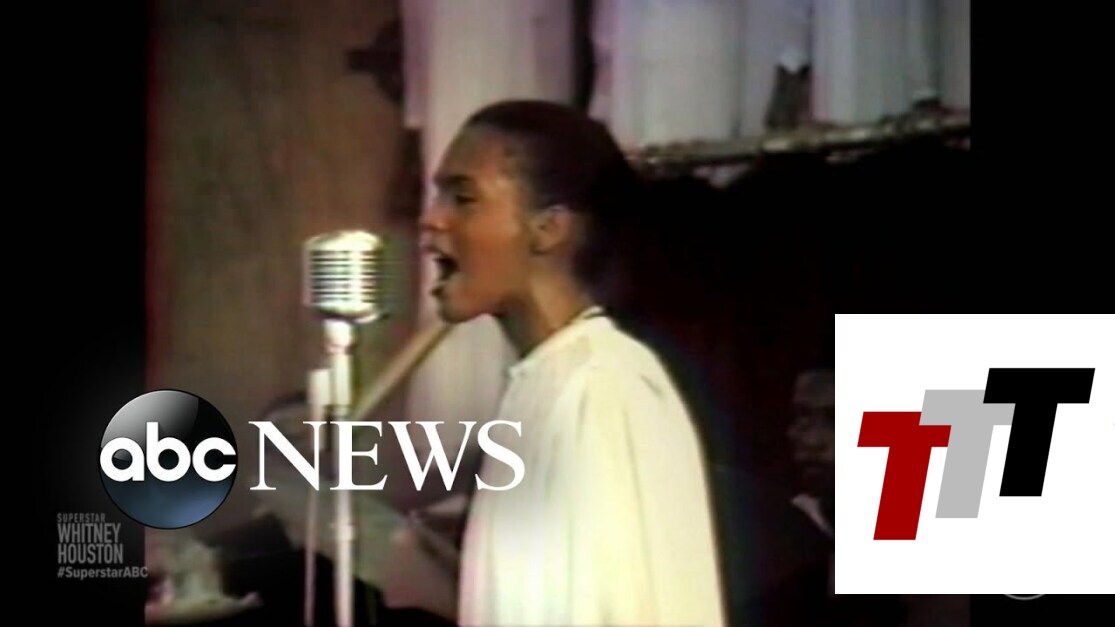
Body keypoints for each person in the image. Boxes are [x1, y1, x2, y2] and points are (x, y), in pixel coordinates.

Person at [415, 99, 726, 626]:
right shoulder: (545, 381)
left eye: (463, 198)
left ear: (548, 228)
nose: (432, 220)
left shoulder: (603, 387)